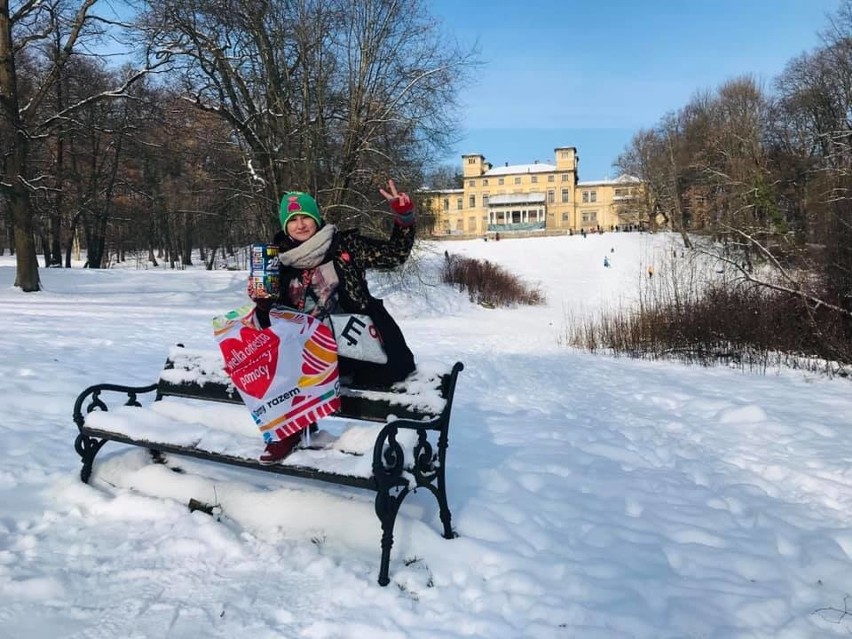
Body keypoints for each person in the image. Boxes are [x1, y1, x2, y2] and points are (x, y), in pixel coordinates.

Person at [251, 180, 417, 461]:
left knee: (298, 369)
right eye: (293, 220)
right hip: (310, 350)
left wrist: (404, 217)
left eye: (305, 217)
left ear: (316, 218)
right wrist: (263, 304)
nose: (300, 224)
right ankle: (289, 431)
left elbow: (393, 256)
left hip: (357, 343)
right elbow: (272, 321)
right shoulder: (276, 262)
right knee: (280, 362)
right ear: (284, 225)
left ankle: (292, 428)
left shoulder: (345, 246)